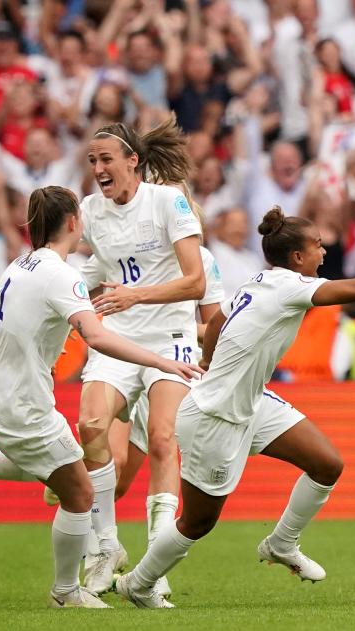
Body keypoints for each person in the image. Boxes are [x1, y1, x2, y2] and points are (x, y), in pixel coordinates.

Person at [114, 206, 355, 608]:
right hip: (214, 417)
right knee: (197, 522)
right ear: (297, 257)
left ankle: (282, 543)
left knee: (326, 464)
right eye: (317, 245)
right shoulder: (289, 287)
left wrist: (209, 360)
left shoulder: (262, 280)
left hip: (251, 403)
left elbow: (216, 323)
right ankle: (138, 583)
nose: (324, 252)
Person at [0, 186, 201, 608]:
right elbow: (98, 335)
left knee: (49, 464)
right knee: (80, 493)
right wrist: (160, 361)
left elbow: (19, 306)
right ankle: (67, 590)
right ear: (72, 223)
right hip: (23, 407)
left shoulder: (20, 264)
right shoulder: (59, 274)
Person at [75, 116, 208, 594]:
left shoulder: (167, 201)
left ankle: (155, 562)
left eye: (106, 159)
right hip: (119, 339)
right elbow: (86, 266)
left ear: (133, 161)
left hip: (170, 336)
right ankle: (106, 543)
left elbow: (197, 281)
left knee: (162, 437)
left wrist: (136, 295)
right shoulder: (90, 210)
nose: (98, 168)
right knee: (90, 425)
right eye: (92, 161)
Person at [108, 244, 227, 599]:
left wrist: (181, 327)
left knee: (163, 443)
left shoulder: (201, 259)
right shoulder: (124, 244)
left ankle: (154, 569)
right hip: (124, 358)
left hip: (172, 360)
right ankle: (93, 550)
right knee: (113, 474)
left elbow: (214, 326)